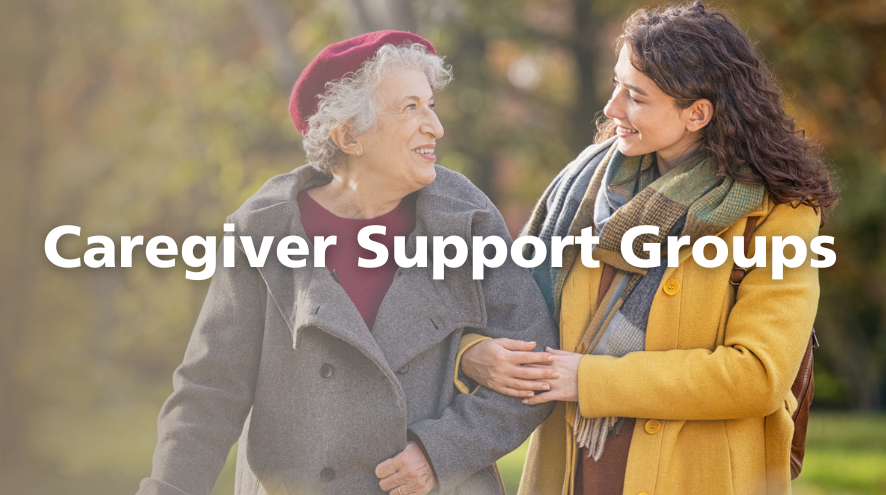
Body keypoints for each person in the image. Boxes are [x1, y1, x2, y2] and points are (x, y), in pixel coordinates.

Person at [137, 31, 558, 495]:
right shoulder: (264, 231)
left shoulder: (467, 216)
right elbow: (209, 394)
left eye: (430, 104)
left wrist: (441, 451)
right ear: (349, 135)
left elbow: (534, 367)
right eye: (410, 108)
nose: (435, 126)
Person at [457, 3, 838, 494]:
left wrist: (591, 382)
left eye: (635, 96)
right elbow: (500, 306)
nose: (612, 108)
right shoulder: (582, 190)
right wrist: (473, 351)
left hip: (697, 479)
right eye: (617, 85)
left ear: (697, 113)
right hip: (571, 472)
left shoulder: (778, 215)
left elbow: (756, 374)